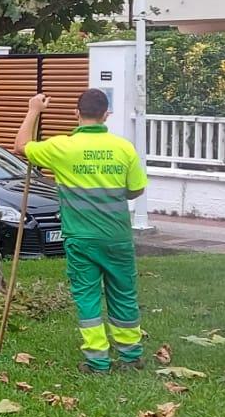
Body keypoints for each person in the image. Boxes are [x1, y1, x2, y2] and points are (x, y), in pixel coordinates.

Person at [11, 89, 150, 375]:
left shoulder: (63, 147)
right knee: (123, 292)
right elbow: (136, 190)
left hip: (81, 237)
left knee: (87, 296)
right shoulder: (123, 148)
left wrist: (34, 109)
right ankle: (131, 355)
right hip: (117, 236)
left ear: (77, 113)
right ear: (105, 115)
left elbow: (21, 145)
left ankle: (97, 359)